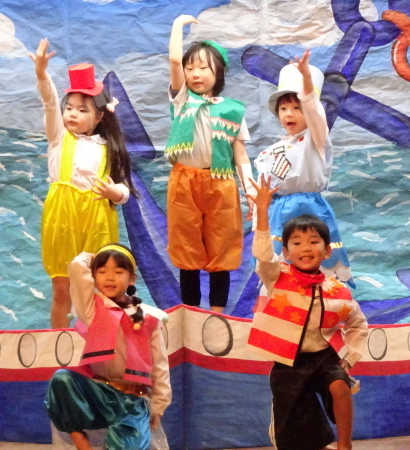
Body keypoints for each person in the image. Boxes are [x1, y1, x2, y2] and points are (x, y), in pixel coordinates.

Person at [247, 175, 368, 450]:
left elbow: (358, 324)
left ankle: (345, 445)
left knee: (339, 386)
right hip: (288, 361)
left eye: (313, 241)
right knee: (295, 431)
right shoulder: (276, 277)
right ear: (286, 252)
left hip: (324, 357)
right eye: (297, 243)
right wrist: (263, 212)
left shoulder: (337, 290)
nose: (305, 248)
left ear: (327, 251)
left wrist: (348, 358)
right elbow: (263, 255)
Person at [28, 38, 137, 328]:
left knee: (98, 289)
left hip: (97, 219)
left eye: (83, 109)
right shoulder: (58, 137)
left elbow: (124, 189)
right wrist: (42, 74)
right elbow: (49, 104)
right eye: (71, 108)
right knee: (62, 287)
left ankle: (100, 344)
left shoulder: (109, 148)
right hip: (62, 217)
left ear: (100, 116)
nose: (73, 114)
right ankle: (60, 342)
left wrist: (115, 193)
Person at [164, 15, 256, 314]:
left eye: (203, 67)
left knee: (222, 247)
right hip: (184, 181)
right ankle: (190, 314)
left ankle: (217, 315)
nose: (195, 73)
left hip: (221, 182)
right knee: (186, 248)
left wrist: (250, 189)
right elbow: (174, 61)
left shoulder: (232, 110)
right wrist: (177, 25)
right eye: (190, 68)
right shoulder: (182, 100)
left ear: (219, 72)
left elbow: (239, 153)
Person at [45, 244, 171, 450]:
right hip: (99, 393)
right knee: (62, 379)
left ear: (132, 279)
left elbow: (160, 364)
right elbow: (77, 267)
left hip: (133, 400)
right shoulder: (92, 310)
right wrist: (97, 256)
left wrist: (159, 405)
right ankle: (81, 442)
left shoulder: (147, 317)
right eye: (102, 272)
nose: (110, 278)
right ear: (93, 276)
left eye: (118, 272)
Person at [254, 49, 354, 287]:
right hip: (279, 212)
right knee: (281, 267)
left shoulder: (315, 138)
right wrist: (258, 212)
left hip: (310, 208)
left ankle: (323, 304)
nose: (289, 114)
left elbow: (315, 113)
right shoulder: (270, 152)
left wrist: (306, 82)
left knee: (316, 263)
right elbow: (262, 188)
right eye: (283, 109)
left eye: (296, 107)